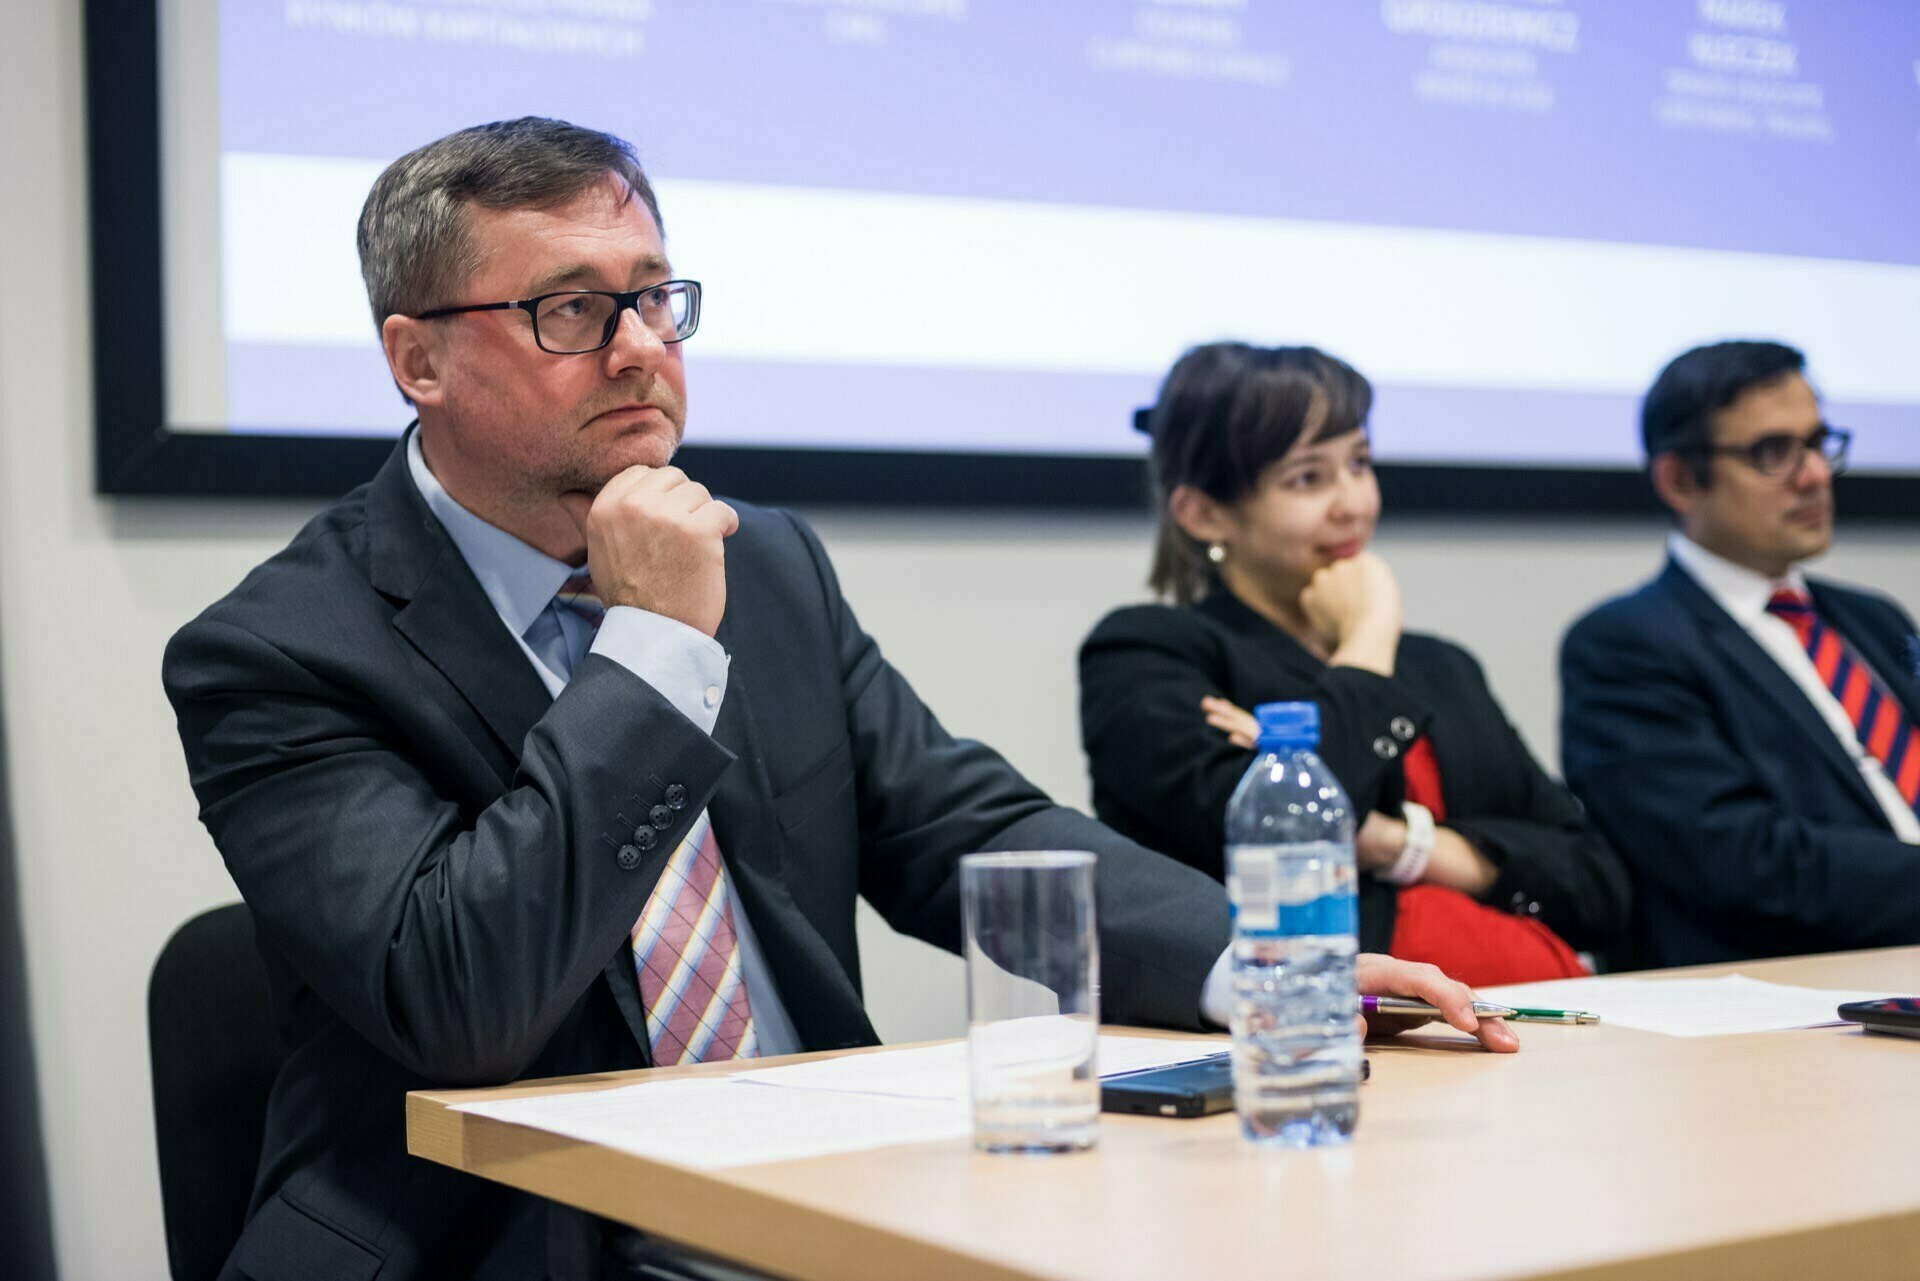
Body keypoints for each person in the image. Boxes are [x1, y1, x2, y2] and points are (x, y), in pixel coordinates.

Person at [163, 122, 1516, 1281]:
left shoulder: (771, 565)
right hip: (508, 1240)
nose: (639, 349)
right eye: (569, 310)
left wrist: (1260, 967)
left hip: (825, 1206)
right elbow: (463, 998)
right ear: (419, 361)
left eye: (655, 297)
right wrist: (649, 651)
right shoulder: (279, 650)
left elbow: (962, 823)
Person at [1080, 343, 1630, 987]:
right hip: (1313, 1036)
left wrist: (1399, 844)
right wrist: (1368, 635)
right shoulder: (1150, 652)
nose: (1353, 503)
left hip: (1534, 1020)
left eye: (1360, 464)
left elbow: (1600, 890)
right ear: (1205, 513)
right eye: (1308, 478)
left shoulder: (1440, 666)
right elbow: (1283, 847)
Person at [1561, 339, 1920, 967]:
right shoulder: (1624, 645)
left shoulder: (1875, 618)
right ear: (1678, 478)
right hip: (1797, 993)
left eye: (1816, 443)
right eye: (1773, 453)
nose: (1812, 475)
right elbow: (1742, 861)